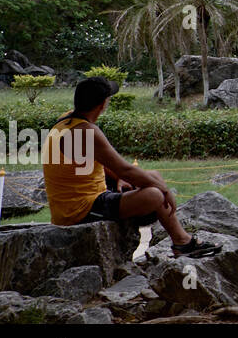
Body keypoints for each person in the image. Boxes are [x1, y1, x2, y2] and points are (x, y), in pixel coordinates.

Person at [42, 78, 220, 257]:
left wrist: (120, 177)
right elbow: (126, 169)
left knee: (153, 175)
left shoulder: (66, 121)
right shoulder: (85, 131)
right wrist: (166, 191)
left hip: (84, 201)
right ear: (103, 104)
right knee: (155, 195)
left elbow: (104, 164)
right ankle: (182, 243)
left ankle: (182, 241)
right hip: (80, 212)